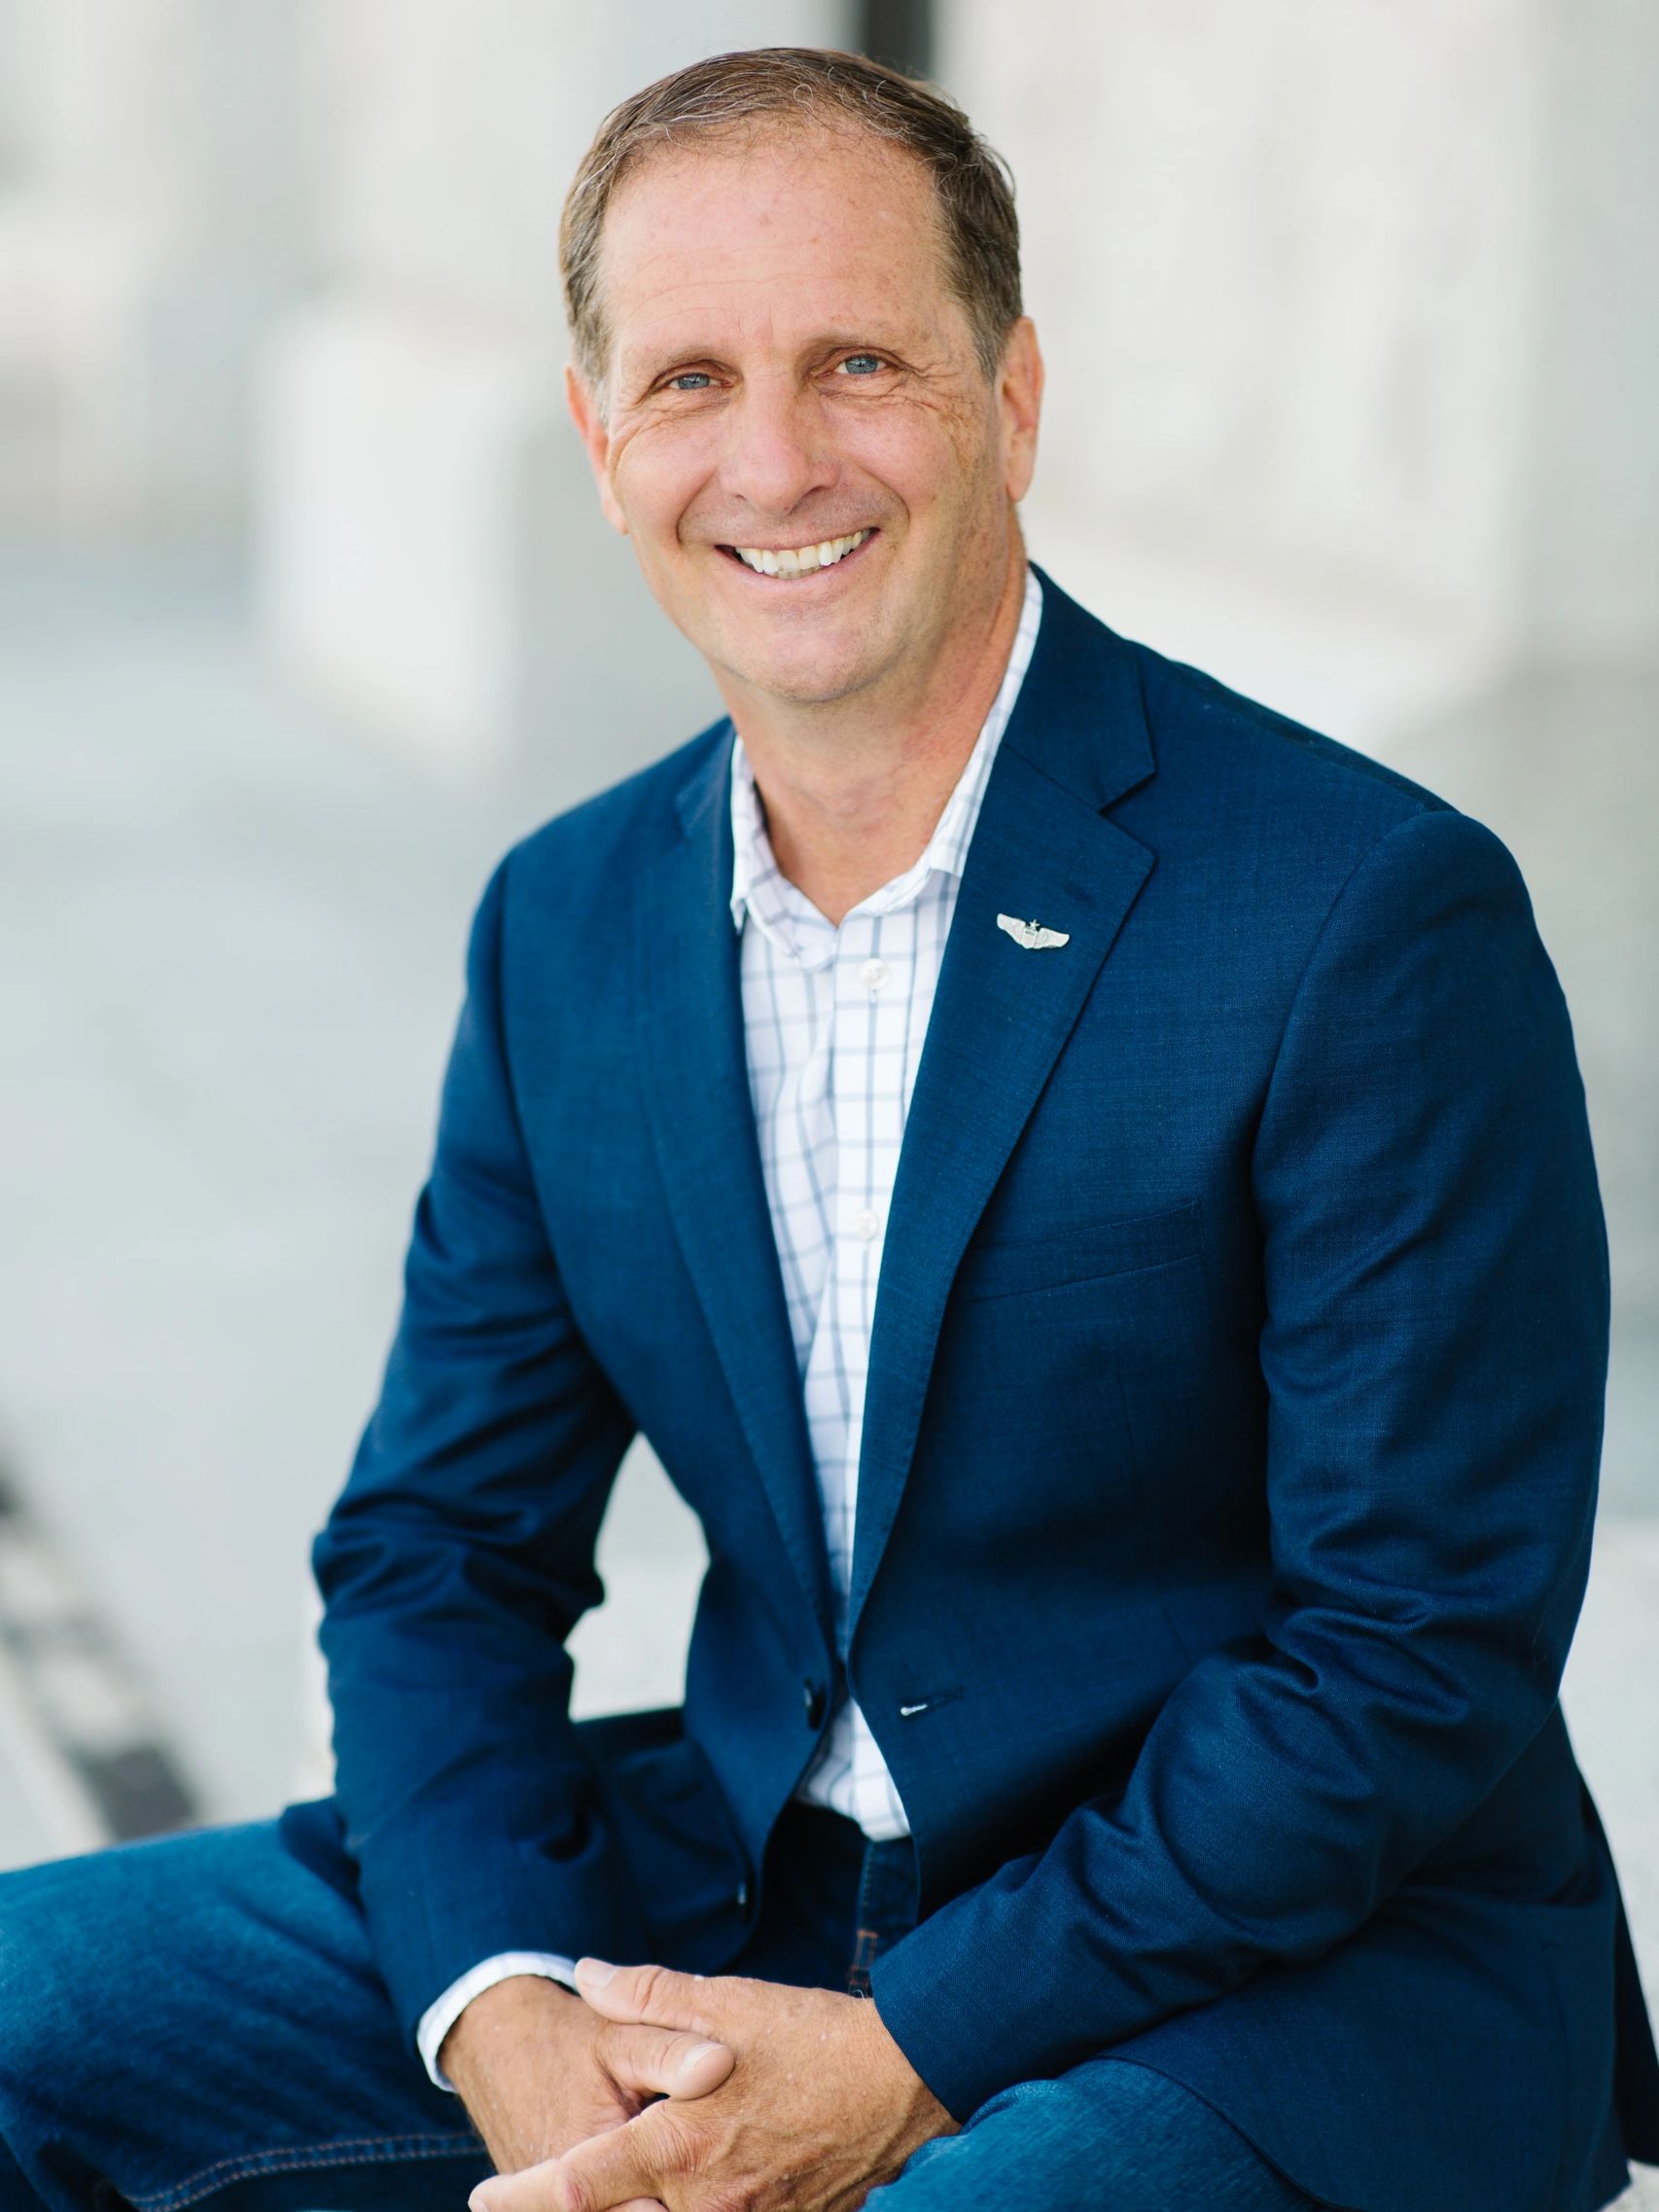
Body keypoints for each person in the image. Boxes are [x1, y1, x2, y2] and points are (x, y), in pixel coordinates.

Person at [2, 43, 1656, 2212]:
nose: (773, 460)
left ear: (1011, 399)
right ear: (599, 443)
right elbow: (437, 1552)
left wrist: (909, 2050)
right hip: (744, 1888)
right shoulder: (571, 922)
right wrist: (507, 2007)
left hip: (1285, 1966)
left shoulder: (1360, 911)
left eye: (857, 361)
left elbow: (1407, 1653)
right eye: (690, 380)